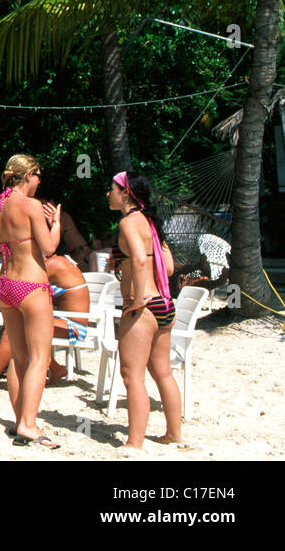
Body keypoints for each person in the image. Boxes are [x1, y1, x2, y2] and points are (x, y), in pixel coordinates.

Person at [0, 153, 60, 448]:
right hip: (32, 285)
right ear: (28, 175)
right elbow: (49, 248)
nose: (39, 181)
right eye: (38, 175)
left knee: (17, 356)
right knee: (41, 358)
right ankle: (28, 424)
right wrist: (57, 223)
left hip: (6, 284)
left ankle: (19, 421)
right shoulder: (31, 206)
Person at [108, 171, 182, 449]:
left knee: (132, 375)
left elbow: (139, 259)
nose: (108, 194)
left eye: (112, 190)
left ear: (125, 193)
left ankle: (134, 443)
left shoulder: (128, 222)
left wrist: (137, 298)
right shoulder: (151, 222)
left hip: (144, 307)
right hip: (164, 303)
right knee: (163, 372)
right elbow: (170, 267)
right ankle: (174, 433)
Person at [0, 252, 90, 383]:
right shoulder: (51, 262)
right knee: (19, 328)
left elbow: (21, 284)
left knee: (13, 332)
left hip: (74, 327)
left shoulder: (54, 264)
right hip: (60, 319)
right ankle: (56, 368)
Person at [40, 196, 90, 269]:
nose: (43, 209)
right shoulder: (46, 219)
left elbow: (50, 247)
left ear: (52, 203)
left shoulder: (61, 217)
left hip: (79, 253)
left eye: (44, 205)